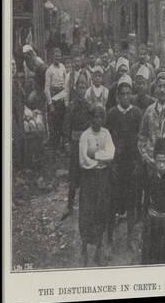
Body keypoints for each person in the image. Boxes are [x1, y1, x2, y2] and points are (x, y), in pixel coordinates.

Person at [106, 75, 142, 249]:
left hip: (131, 164)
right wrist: (111, 164)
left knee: (131, 203)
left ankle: (130, 239)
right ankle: (110, 239)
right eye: (122, 94)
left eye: (128, 93)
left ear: (132, 95)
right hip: (116, 165)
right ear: (118, 96)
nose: (126, 97)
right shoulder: (112, 113)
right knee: (113, 203)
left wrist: (137, 163)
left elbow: (141, 139)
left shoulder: (136, 113)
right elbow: (106, 140)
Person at [79, 106, 115, 266]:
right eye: (95, 117)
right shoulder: (85, 135)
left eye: (101, 117)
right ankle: (84, 248)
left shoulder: (106, 133)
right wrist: (100, 160)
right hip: (89, 177)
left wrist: (94, 155)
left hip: (103, 178)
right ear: (90, 118)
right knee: (87, 211)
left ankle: (99, 248)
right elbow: (83, 160)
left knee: (101, 210)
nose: (98, 120)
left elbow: (111, 154)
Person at [61, 76, 92, 220]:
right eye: (79, 86)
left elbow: (92, 125)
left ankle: (85, 205)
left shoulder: (88, 105)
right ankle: (69, 205)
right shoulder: (72, 106)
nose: (81, 89)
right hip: (74, 143)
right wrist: (67, 142)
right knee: (73, 174)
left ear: (86, 88)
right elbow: (67, 124)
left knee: (85, 172)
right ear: (75, 87)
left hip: (85, 144)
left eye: (84, 86)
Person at [44, 48, 67, 151]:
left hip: (62, 97)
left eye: (59, 56)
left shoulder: (63, 67)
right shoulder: (49, 70)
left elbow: (66, 84)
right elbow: (46, 89)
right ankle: (54, 147)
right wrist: (50, 104)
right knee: (54, 124)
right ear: (52, 57)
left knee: (63, 123)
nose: (57, 58)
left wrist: (66, 99)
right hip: (54, 99)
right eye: (55, 56)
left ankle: (62, 146)